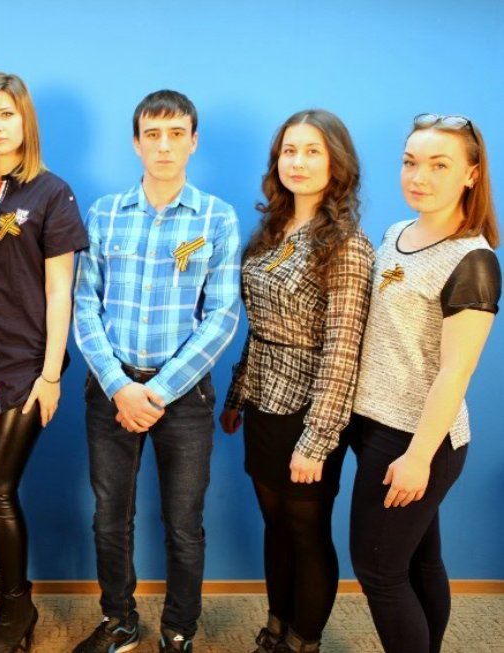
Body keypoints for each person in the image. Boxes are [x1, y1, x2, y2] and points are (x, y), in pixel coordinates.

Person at [73, 89, 241, 653]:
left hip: (184, 396)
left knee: (184, 522)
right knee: (109, 517)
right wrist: (120, 386)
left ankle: (178, 628)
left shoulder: (217, 217)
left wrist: (160, 391)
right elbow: (85, 305)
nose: (164, 146)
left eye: (176, 135)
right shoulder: (104, 213)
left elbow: (221, 317)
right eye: (152, 135)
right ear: (136, 143)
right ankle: (119, 620)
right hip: (111, 390)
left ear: (193, 142)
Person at [219, 110, 373, 653]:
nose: (298, 162)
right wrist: (237, 394)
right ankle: (276, 626)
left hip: (311, 408)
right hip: (263, 399)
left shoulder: (347, 245)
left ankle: (304, 640)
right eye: (289, 151)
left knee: (306, 531)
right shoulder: (271, 232)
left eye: (312, 151)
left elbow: (344, 351)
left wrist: (317, 440)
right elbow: (259, 325)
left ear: (337, 163)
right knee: (275, 523)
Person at [349, 114, 500, 653]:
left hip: (417, 439)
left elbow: (456, 371)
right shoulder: (396, 234)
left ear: (471, 174)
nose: (419, 176)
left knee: (379, 571)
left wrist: (418, 456)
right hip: (373, 424)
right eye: (411, 162)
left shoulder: (473, 260)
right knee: (419, 561)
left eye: (439, 165)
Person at [0, 72, 88, 653]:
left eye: (6, 114)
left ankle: (18, 611)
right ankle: (4, 607)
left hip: (27, 369)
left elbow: (61, 291)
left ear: (25, 120)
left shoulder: (52, 193)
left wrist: (51, 373)